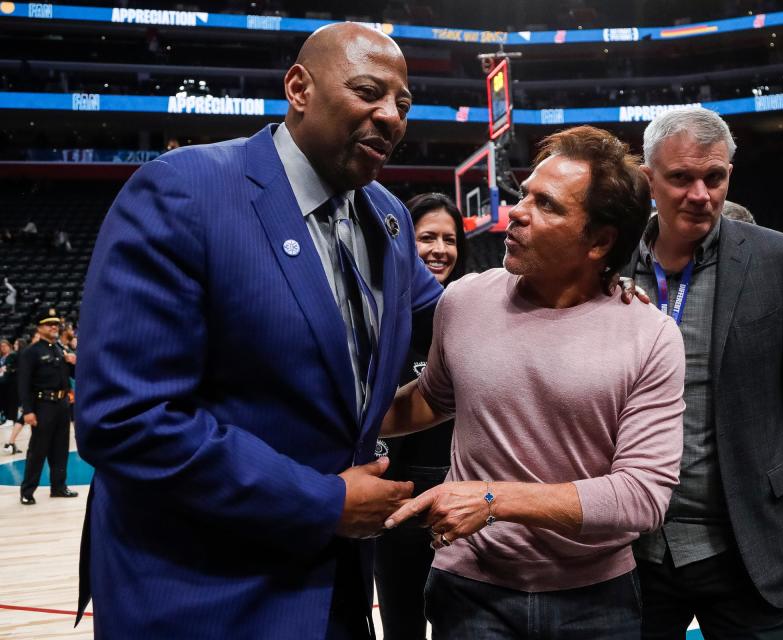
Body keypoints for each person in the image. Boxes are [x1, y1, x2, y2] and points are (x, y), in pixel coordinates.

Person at [74, 23, 443, 639]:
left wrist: (584, 293)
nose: (390, 116)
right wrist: (322, 502)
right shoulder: (184, 191)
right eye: (368, 92)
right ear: (299, 87)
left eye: (402, 104)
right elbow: (125, 418)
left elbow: (456, 317)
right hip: (204, 594)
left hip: (336, 589)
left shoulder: (388, 216)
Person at [383, 125, 686, 639]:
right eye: (525, 194)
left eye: (546, 205)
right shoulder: (462, 301)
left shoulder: (650, 334)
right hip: (470, 589)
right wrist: (330, 420)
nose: (517, 212)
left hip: (596, 600)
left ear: (600, 242)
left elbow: (642, 497)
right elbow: (431, 400)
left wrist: (492, 499)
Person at [622, 106, 783, 638]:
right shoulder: (606, 261)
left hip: (748, 545)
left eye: (715, 177)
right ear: (647, 179)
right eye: (681, 177)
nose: (700, 194)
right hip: (630, 550)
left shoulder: (778, 258)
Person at [374, 192, 468, 640]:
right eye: (427, 237)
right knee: (402, 627)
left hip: (462, 499)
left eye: (450, 239)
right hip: (395, 499)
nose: (440, 249)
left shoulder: (473, 314)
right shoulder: (378, 314)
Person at [17, 312, 78, 505]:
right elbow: (23, 383)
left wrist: (72, 362)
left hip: (61, 404)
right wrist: (28, 410)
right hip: (43, 406)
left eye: (55, 324)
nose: (53, 326)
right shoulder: (31, 352)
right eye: (48, 324)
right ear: (39, 328)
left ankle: (58, 487)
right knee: (38, 450)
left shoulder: (59, 349)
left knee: (61, 449)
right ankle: (27, 491)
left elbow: (69, 376)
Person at [1, 339, 24, 453]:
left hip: (19, 388)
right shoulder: (17, 356)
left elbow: (9, 371)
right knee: (20, 419)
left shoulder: (16, 356)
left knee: (20, 418)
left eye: (16, 344)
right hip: (20, 388)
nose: (14, 345)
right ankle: (11, 443)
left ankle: (11, 443)